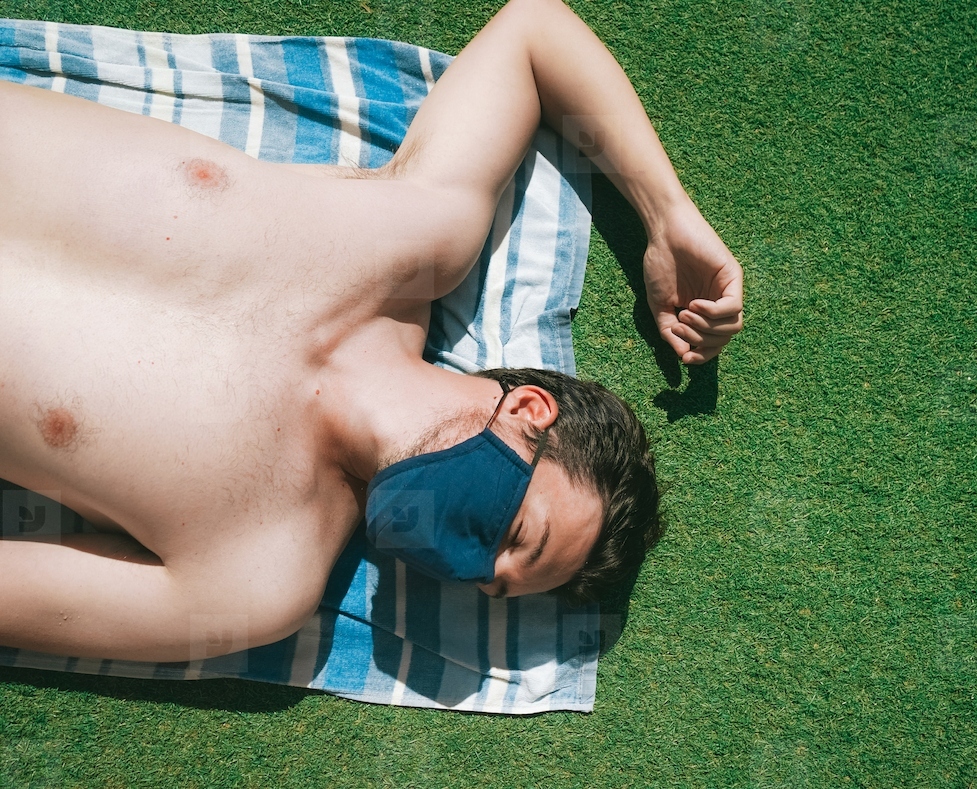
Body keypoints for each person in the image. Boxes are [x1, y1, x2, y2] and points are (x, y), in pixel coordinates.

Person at [0, 0, 743, 662]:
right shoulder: (409, 240)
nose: (481, 572)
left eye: (494, 590)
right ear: (526, 412)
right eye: (517, 537)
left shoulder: (261, 580)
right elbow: (534, 32)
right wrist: (667, 215)